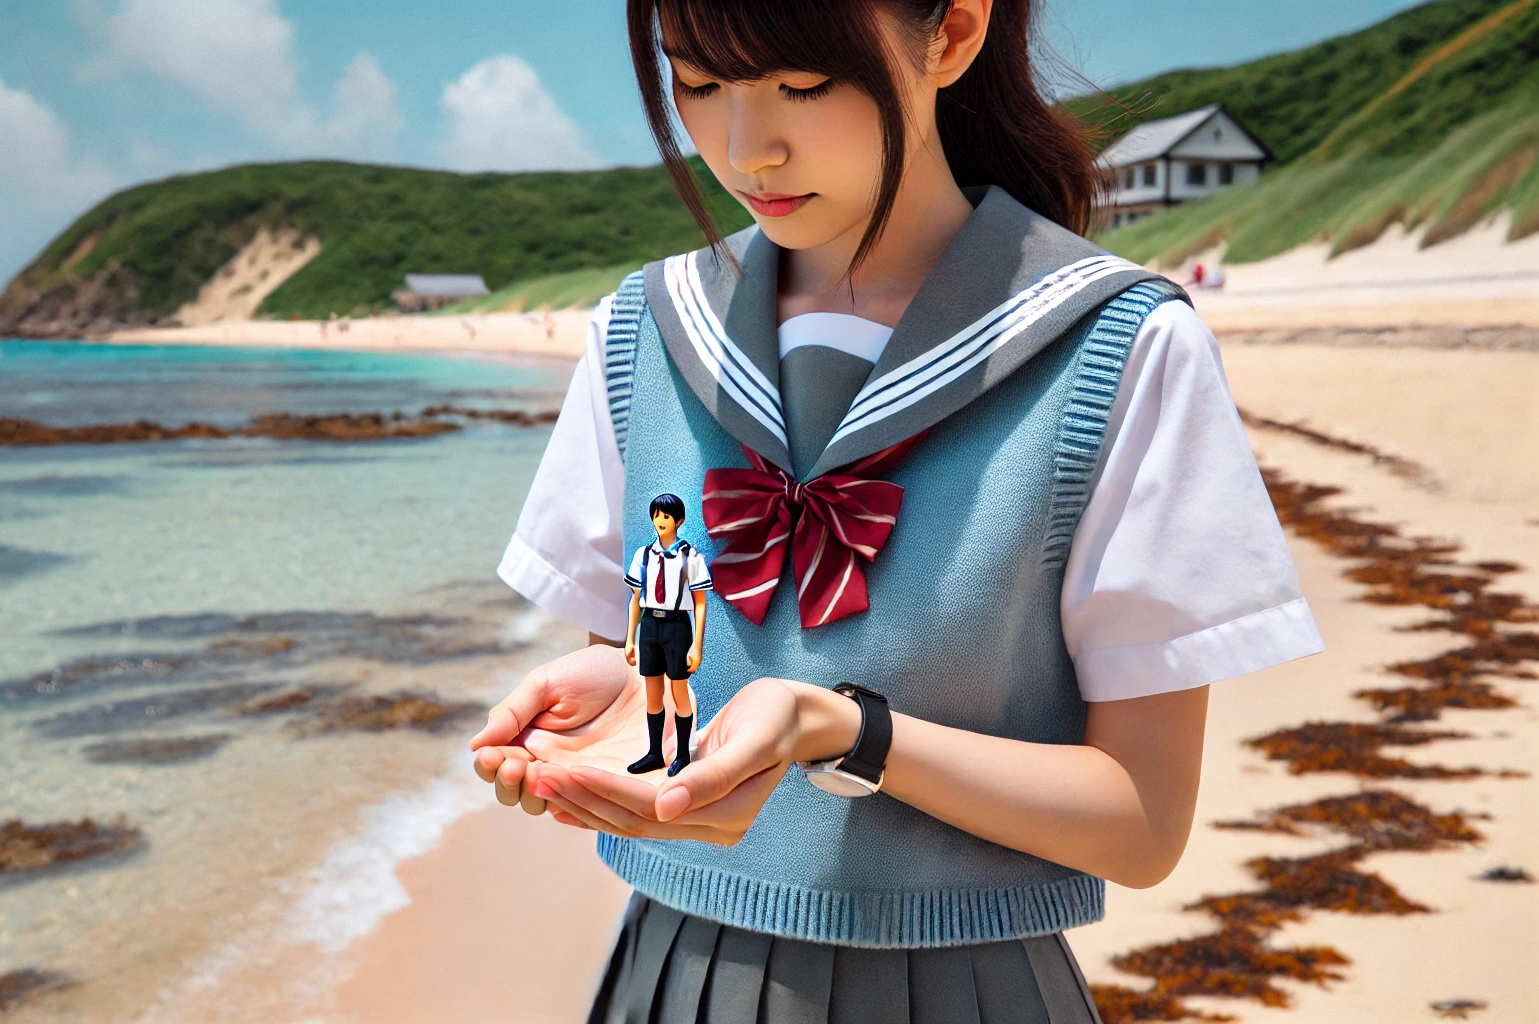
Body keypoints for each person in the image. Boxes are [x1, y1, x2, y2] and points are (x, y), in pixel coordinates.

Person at [474, 1, 1324, 1021]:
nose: (748, 148)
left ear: (953, 33)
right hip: (673, 976)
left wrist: (847, 731)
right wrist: (617, 684)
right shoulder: (641, 335)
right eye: (695, 82)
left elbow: (1140, 826)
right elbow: (661, 704)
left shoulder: (1117, 347)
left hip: (968, 989)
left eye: (801, 85)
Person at [622, 492, 712, 778]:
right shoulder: (643, 555)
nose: (660, 521)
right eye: (657, 515)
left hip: (677, 626)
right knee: (652, 692)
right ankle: (654, 752)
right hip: (650, 626)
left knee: (678, 690)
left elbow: (700, 602)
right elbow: (635, 599)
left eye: (666, 516)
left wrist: (696, 645)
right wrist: (629, 638)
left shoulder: (691, 556)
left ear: (679, 520)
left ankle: (683, 753)